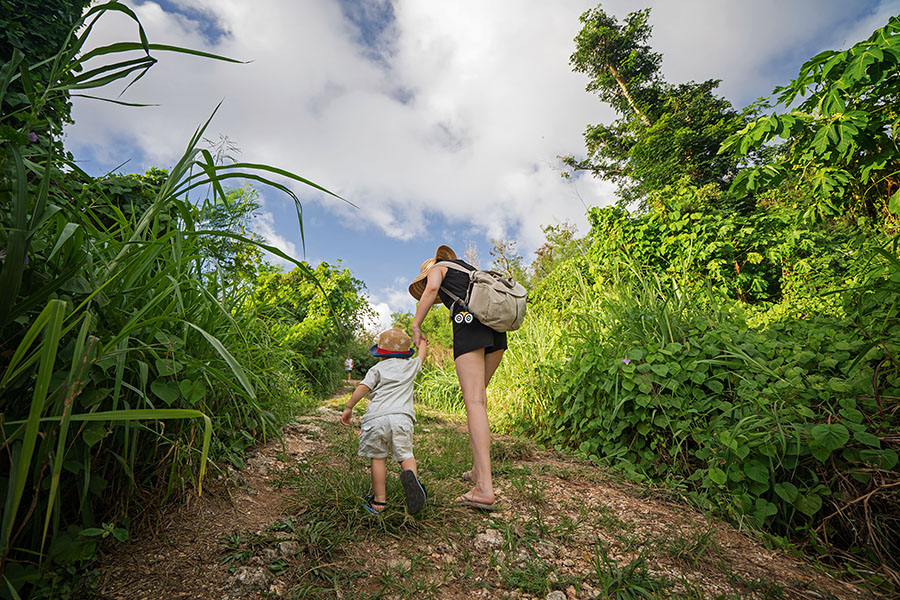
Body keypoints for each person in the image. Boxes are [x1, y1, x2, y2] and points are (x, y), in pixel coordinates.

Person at [409, 245, 505, 510]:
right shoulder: (470, 271)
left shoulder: (438, 269)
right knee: (479, 401)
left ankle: (484, 488)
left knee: (474, 403)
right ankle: (478, 470)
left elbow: (430, 290)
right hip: (497, 328)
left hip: (468, 322)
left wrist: (416, 324)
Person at [341, 328, 428, 514]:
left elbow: (363, 388)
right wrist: (422, 344)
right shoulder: (410, 366)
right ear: (405, 353)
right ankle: (412, 477)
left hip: (376, 420)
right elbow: (422, 357)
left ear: (380, 353)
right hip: (401, 419)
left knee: (378, 458)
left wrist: (349, 407)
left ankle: (379, 503)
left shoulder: (377, 369)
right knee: (405, 455)